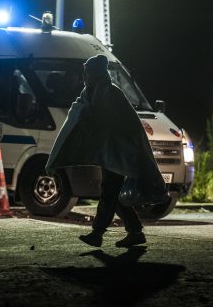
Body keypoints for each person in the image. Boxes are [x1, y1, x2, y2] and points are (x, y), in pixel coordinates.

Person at [46, 54, 169, 248]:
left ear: (95, 74)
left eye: (87, 73)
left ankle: (98, 233)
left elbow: (107, 124)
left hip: (120, 152)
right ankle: (134, 231)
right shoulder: (91, 93)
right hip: (110, 152)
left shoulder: (111, 94)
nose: (84, 77)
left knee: (109, 192)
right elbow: (81, 115)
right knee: (113, 194)